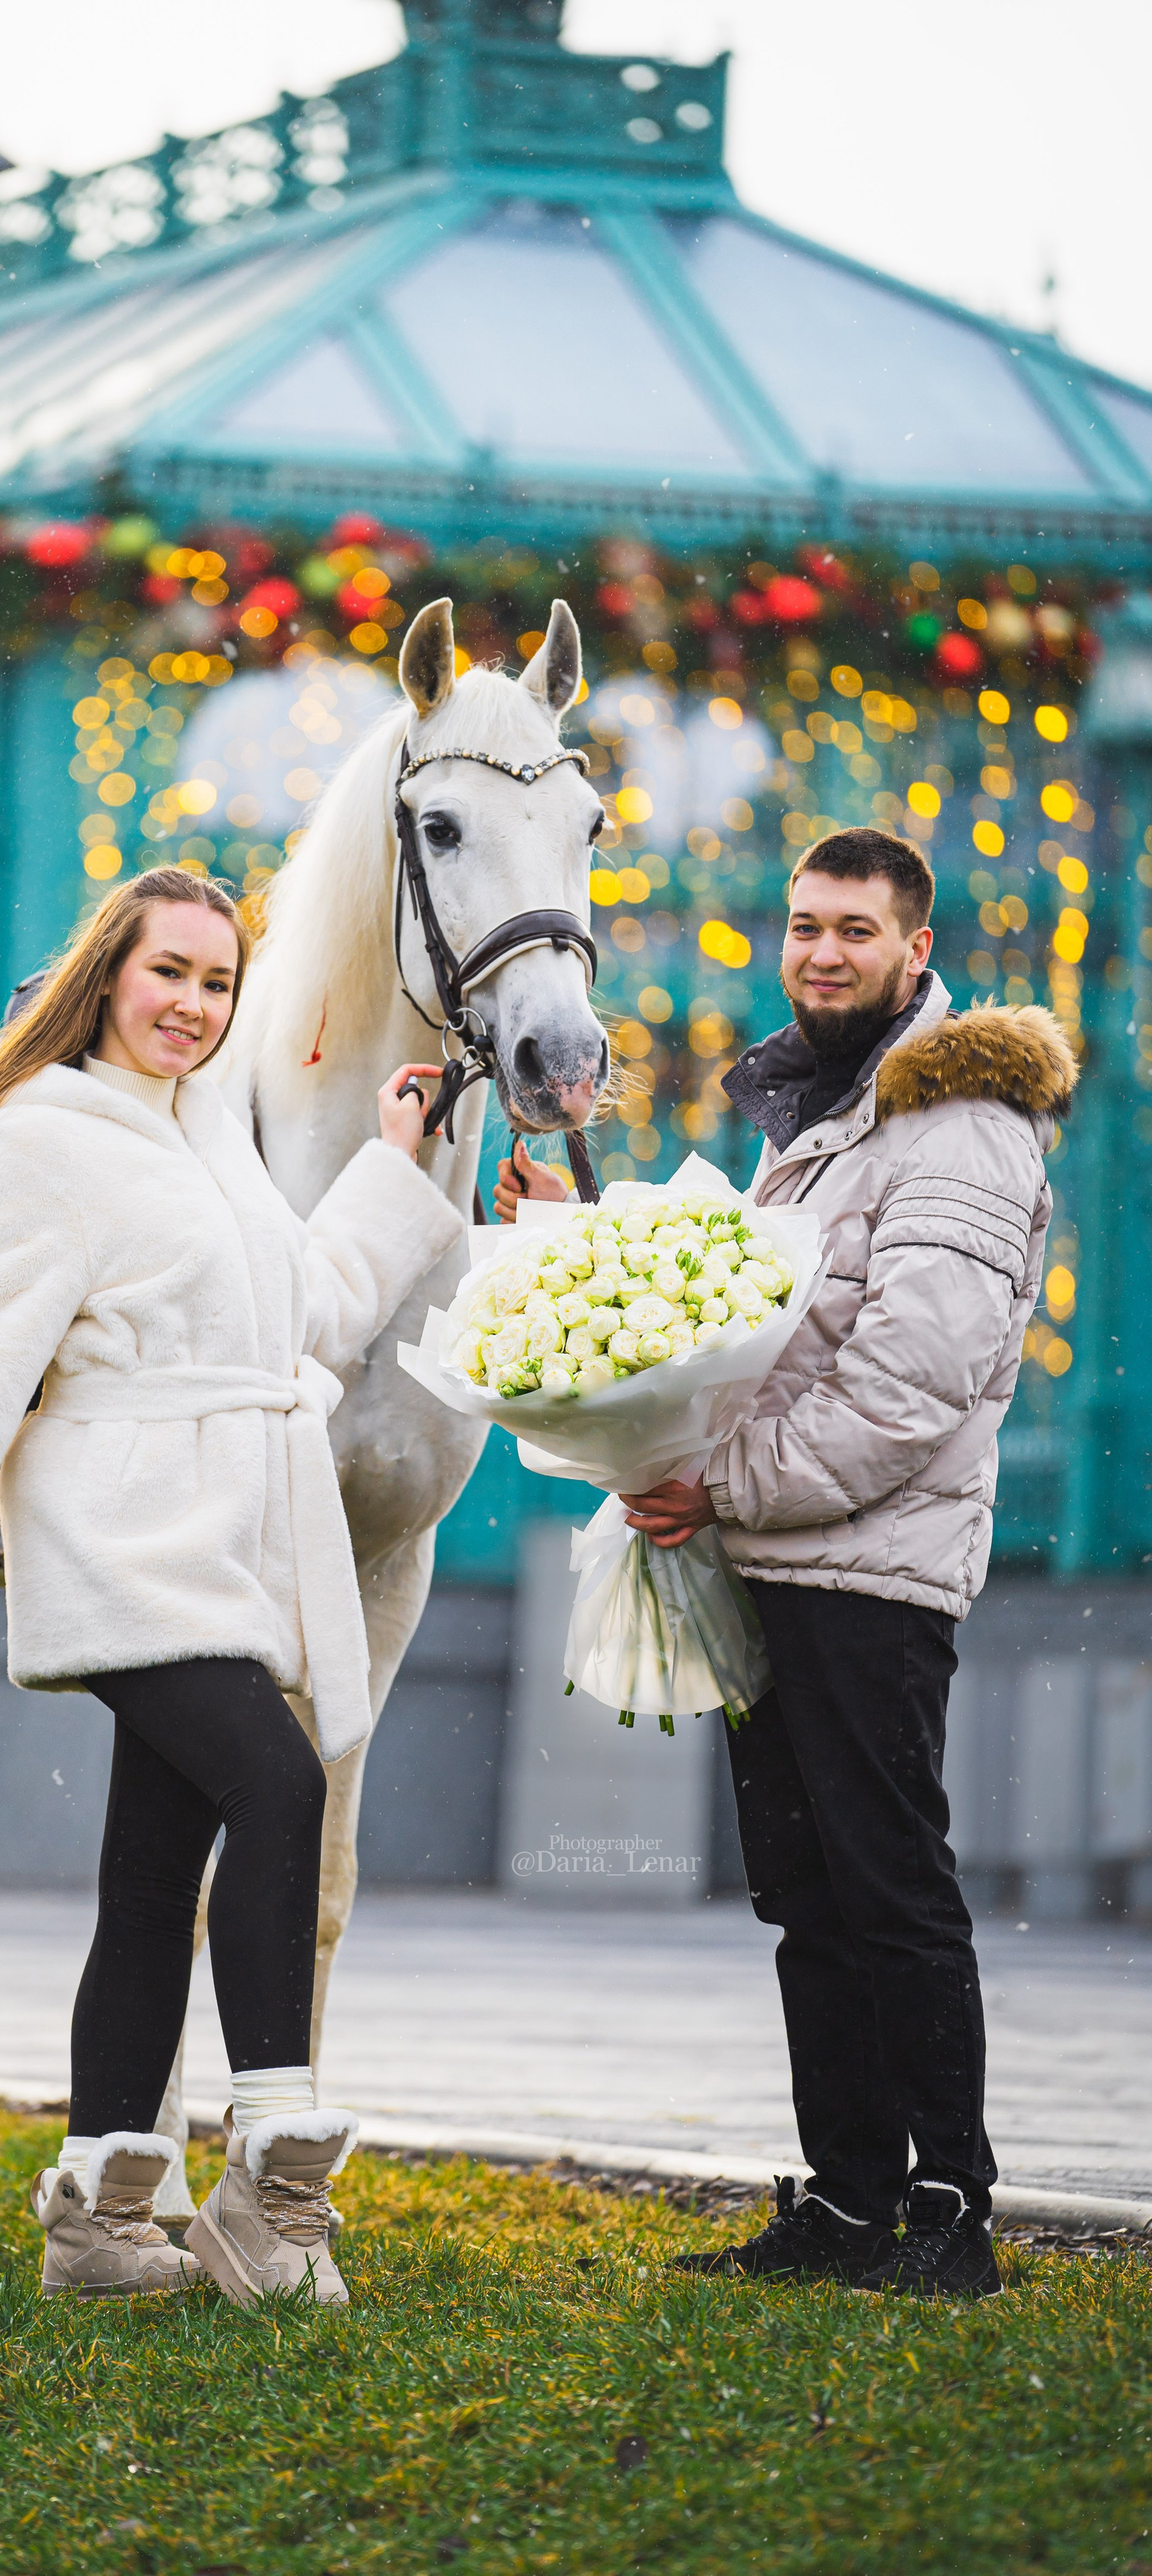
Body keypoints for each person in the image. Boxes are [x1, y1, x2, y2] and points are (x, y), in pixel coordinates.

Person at [0, 865, 460, 2305]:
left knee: (152, 1876)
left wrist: (398, 1165)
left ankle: (95, 2226)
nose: (193, 1006)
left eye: (219, 984)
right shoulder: (40, 1142)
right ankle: (269, 2193)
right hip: (126, 1544)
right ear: (107, 974)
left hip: (228, 1546)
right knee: (282, 1789)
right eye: (169, 974)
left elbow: (311, 1313)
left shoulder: (201, 1131)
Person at [499, 828, 1075, 2300]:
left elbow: (909, 1385)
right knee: (807, 1902)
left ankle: (952, 2211)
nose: (822, 952)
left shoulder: (960, 1124)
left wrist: (723, 1485)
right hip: (773, 1560)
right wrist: (574, 1251)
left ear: (914, 953)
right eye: (805, 926)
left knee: (886, 1888)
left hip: (868, 1574)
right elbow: (733, 1323)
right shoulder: (822, 1117)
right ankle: (842, 2205)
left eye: (855, 932)